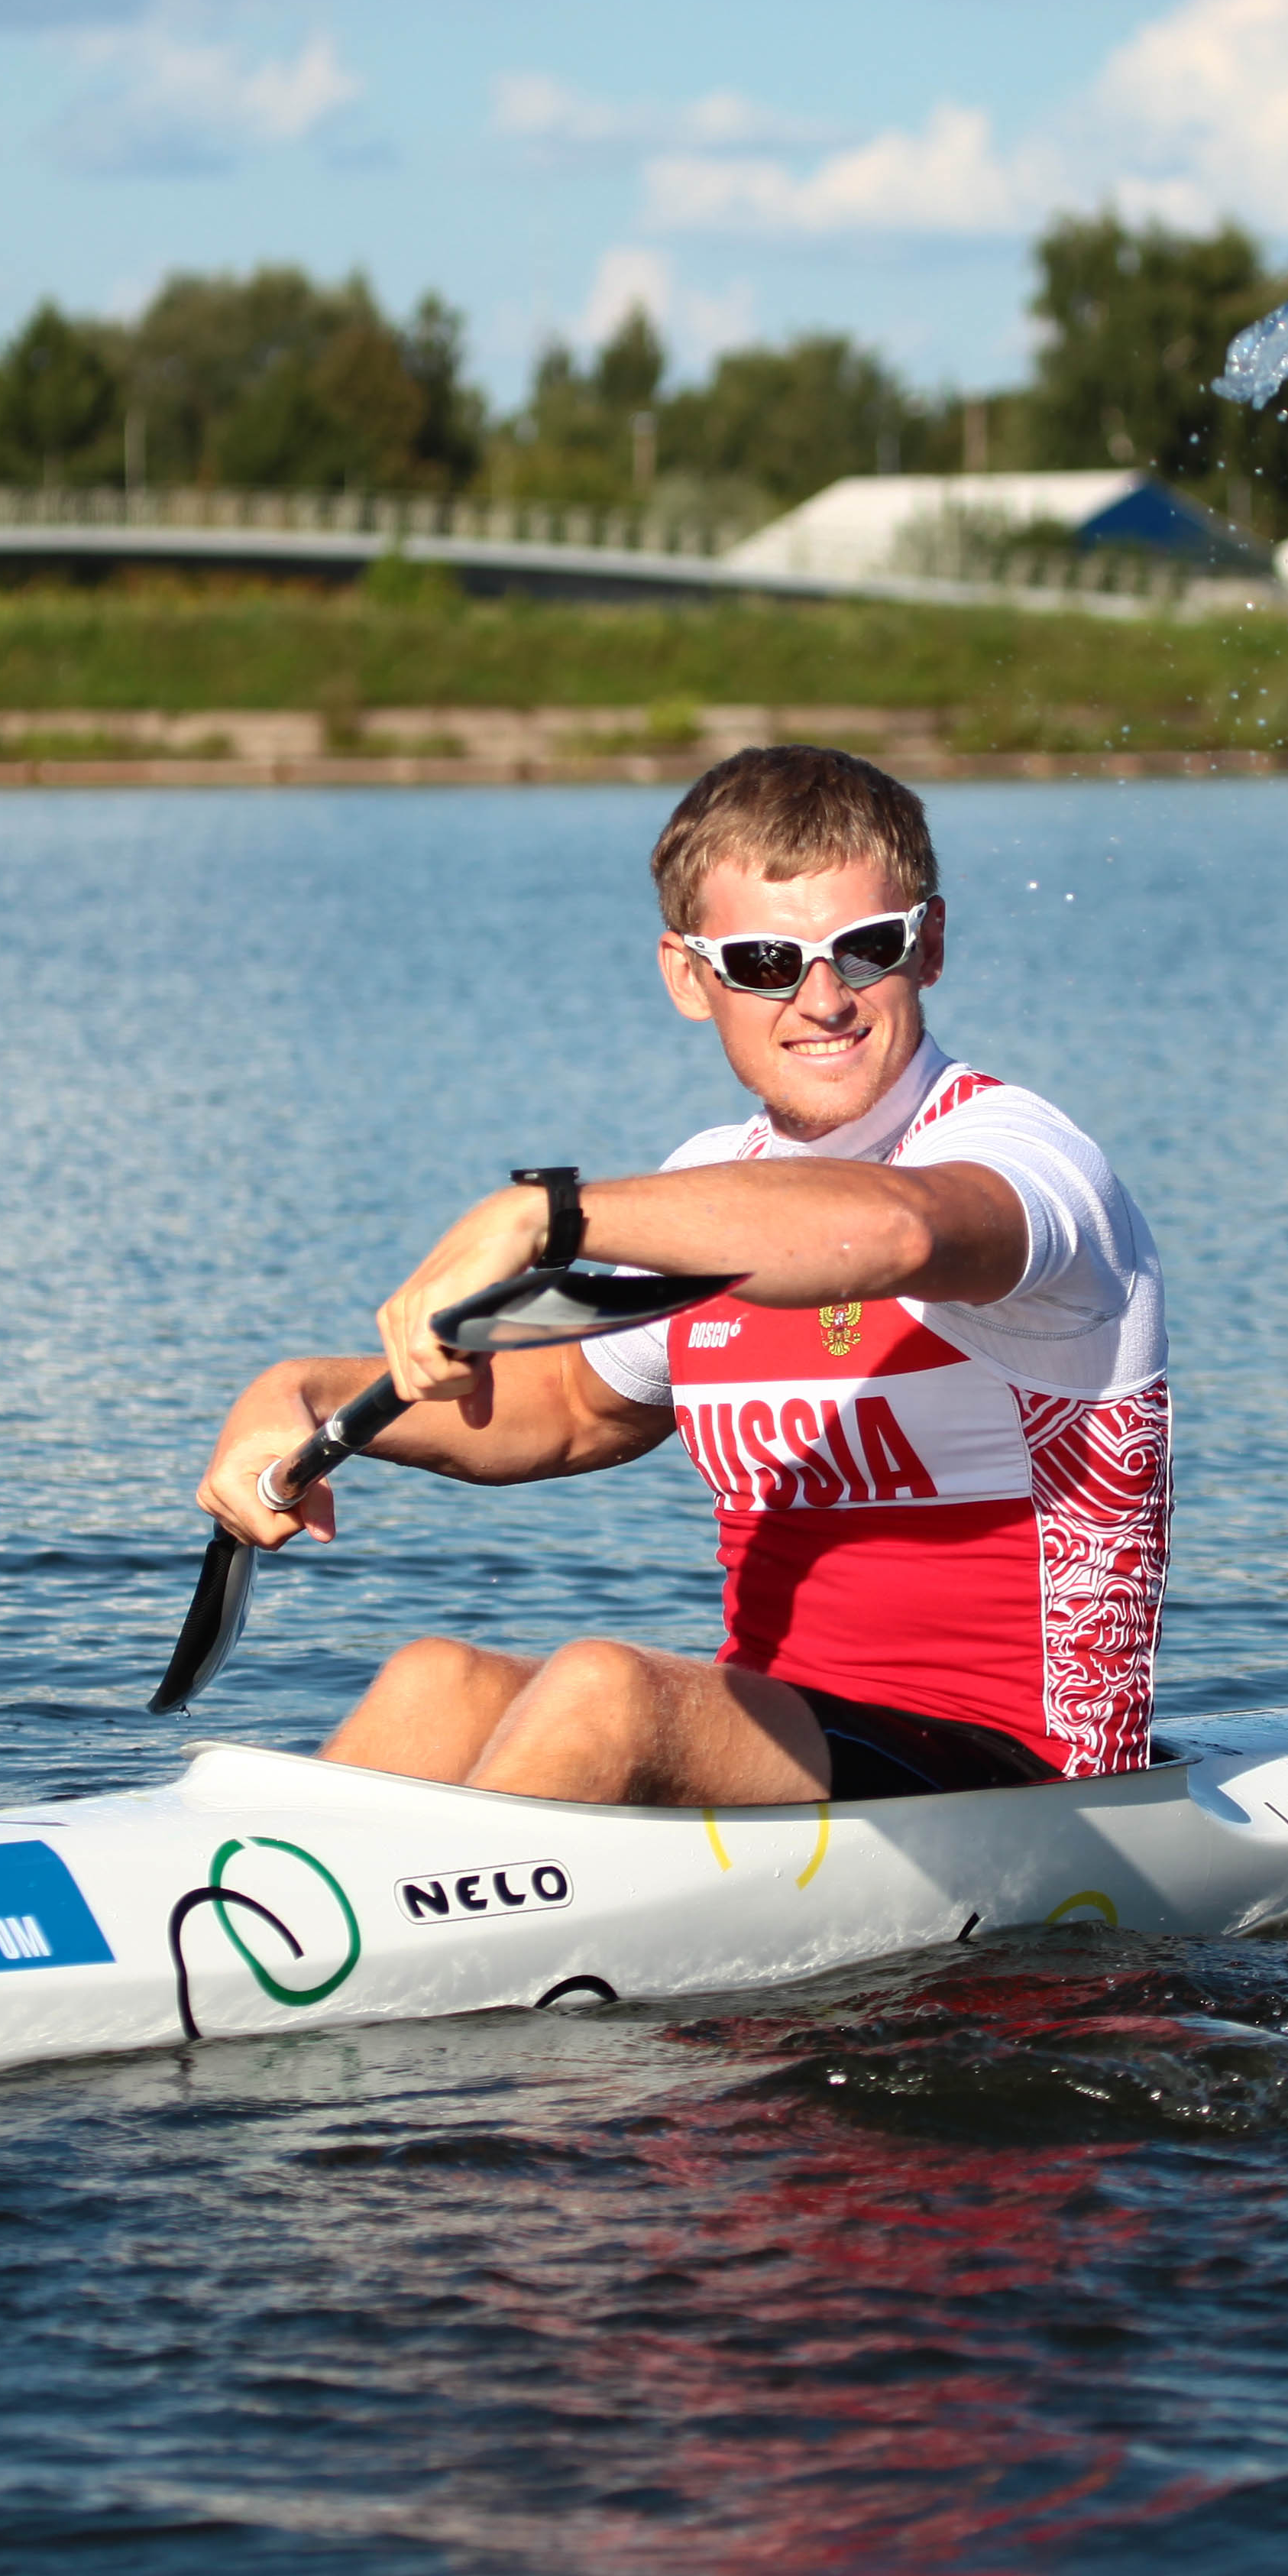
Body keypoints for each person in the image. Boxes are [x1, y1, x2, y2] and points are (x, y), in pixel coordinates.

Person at [195, 745, 1168, 1808]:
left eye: (867, 948)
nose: (823, 998)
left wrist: (550, 1214)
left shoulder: (1028, 1163)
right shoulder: (705, 1185)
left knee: (608, 1691)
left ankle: (395, 1955)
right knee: (437, 1682)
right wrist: (309, 1398)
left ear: (929, 945)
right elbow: (569, 1409)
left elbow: (895, 1236)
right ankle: (243, 1931)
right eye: (761, 961)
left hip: (1032, 1780)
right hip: (782, 1747)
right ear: (687, 976)